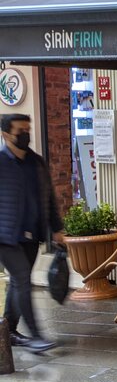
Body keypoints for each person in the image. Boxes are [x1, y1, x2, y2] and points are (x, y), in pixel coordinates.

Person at [0, 114, 64, 353]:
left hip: (31, 235)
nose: (25, 134)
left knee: (18, 284)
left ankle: (8, 331)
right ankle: (36, 336)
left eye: (28, 129)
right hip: (5, 237)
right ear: (6, 134)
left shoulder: (37, 162)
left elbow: (49, 197)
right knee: (23, 280)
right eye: (20, 130)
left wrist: (56, 228)